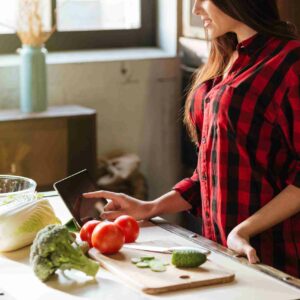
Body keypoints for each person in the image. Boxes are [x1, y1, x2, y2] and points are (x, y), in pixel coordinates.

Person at [84, 0, 300, 278]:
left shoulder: (291, 62)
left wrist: (244, 230)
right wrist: (151, 207)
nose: (195, 9)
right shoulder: (226, 55)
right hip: (224, 253)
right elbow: (210, 173)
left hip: (273, 260)